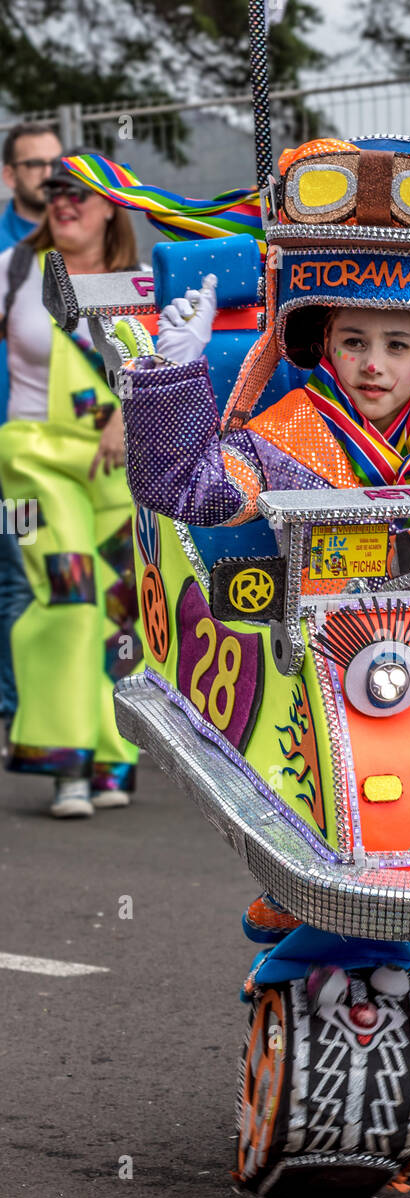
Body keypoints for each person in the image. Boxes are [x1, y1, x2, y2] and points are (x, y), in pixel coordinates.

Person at [122, 136, 410, 588]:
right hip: (330, 657)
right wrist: (172, 370)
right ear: (327, 344)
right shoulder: (282, 434)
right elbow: (191, 492)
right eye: (354, 341)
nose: (373, 365)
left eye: (398, 346)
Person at [0, 155, 142, 817]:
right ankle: (66, 764)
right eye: (54, 190)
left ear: (111, 204)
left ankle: (115, 754)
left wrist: (128, 408)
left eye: (79, 192)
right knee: (65, 592)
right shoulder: (14, 272)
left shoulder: (141, 285)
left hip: (114, 468)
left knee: (119, 607)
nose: (63, 201)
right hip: (30, 464)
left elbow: (167, 368)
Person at [0, 122, 62, 741]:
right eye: (33, 164)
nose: (47, 174)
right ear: (8, 175)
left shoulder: (76, 239)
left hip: (76, 457)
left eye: (54, 163)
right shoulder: (5, 258)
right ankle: (18, 710)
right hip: (13, 453)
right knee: (20, 572)